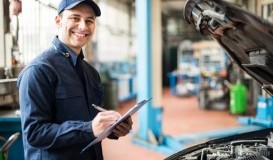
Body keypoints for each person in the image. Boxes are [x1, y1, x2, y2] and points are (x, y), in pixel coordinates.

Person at [17, 0, 133, 159]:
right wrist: (89, 128)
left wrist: (113, 128)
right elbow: (35, 133)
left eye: (89, 20)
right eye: (75, 18)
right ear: (58, 21)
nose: (83, 26)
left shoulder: (91, 72)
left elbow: (93, 122)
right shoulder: (39, 71)